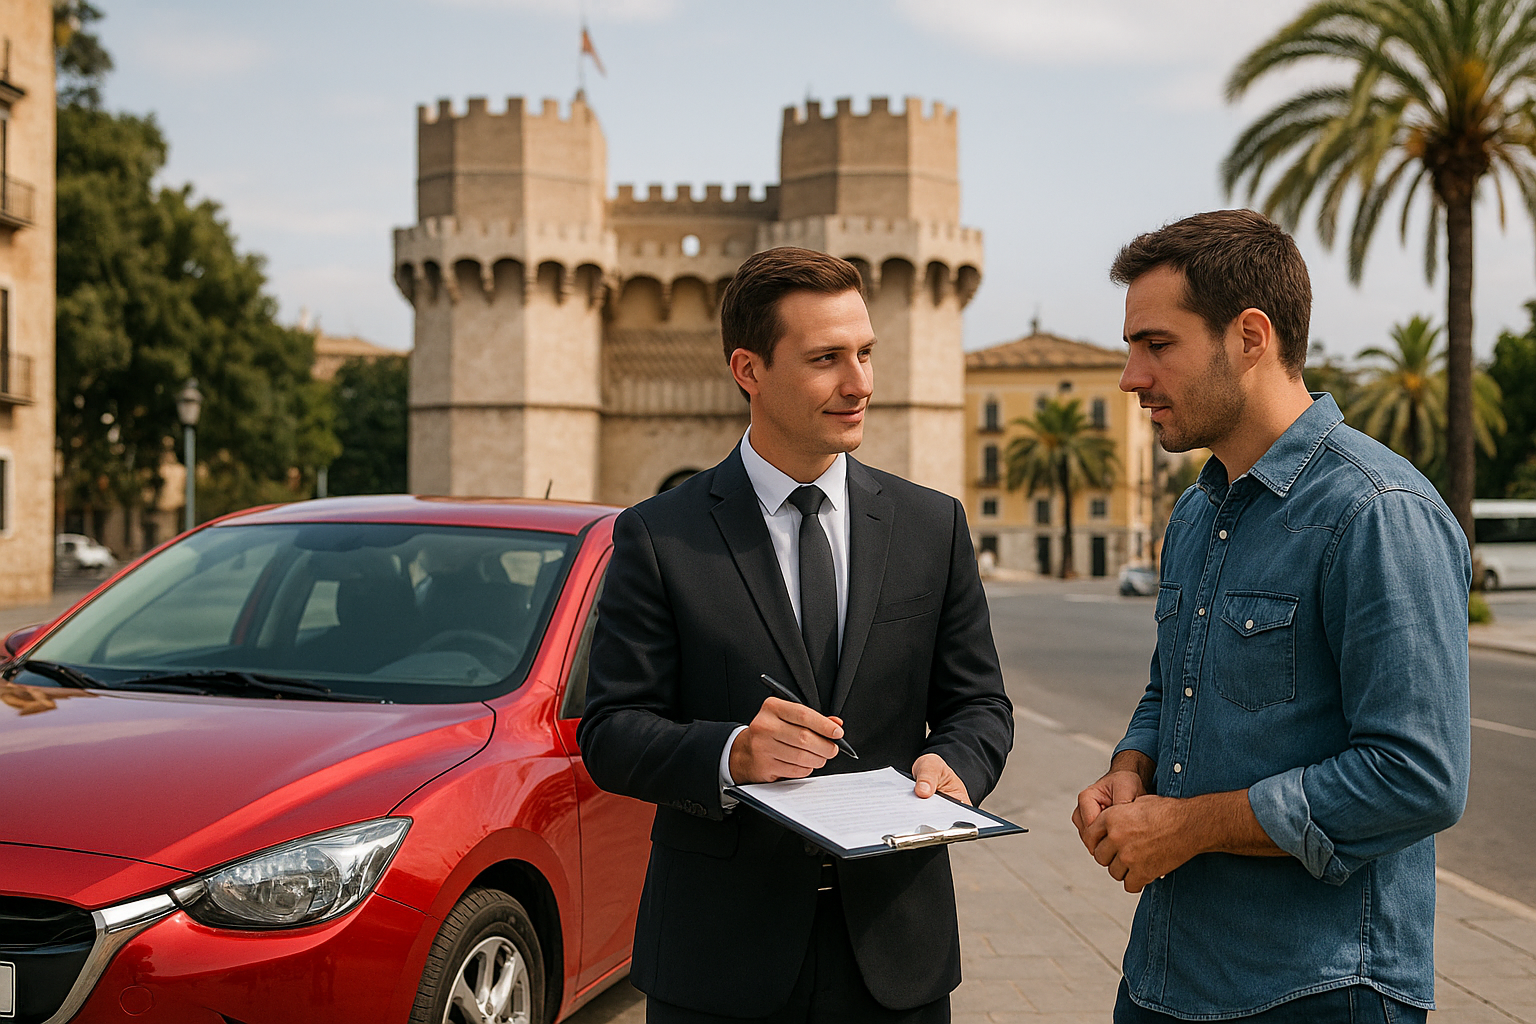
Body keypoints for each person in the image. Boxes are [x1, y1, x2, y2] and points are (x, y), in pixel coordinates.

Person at [578, 246, 1014, 1024]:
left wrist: (955, 765)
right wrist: (731, 754)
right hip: (717, 957)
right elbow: (611, 732)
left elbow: (979, 705)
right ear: (749, 369)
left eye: (865, 353)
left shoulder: (932, 525)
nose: (860, 382)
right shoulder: (657, 536)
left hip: (895, 953)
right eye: (826, 359)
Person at [1075, 209, 1471, 1023]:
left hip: (1319, 990)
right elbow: (1170, 689)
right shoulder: (1196, 513)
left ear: (1250, 337)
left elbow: (1418, 777)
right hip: (1165, 976)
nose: (1130, 377)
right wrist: (1131, 767)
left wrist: (1188, 828)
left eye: (1156, 344)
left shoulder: (1377, 511)